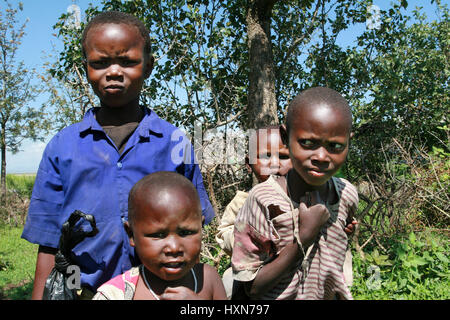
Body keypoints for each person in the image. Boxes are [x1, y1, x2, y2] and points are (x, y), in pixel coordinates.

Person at [21, 11, 214, 299]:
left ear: (148, 67)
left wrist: (194, 293)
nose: (113, 71)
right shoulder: (62, 147)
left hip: (157, 294)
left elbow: (190, 233)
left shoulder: (174, 143)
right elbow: (50, 244)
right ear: (86, 67)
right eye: (100, 63)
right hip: (81, 292)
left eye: (127, 61)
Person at [231, 87, 359, 300]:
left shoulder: (346, 194)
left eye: (335, 146)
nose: (321, 156)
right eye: (307, 143)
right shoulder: (264, 201)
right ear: (285, 136)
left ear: (348, 142)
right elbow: (252, 288)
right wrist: (304, 237)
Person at [93, 172, 227, 300]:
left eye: (186, 232)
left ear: (200, 227)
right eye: (158, 235)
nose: (174, 248)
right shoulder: (115, 295)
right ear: (131, 234)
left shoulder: (208, 278)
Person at [215, 126, 292, 299]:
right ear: (249, 164)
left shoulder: (298, 199)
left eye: (284, 156)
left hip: (290, 267)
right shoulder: (244, 200)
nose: (275, 163)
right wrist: (247, 238)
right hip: (253, 269)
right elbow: (223, 233)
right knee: (229, 283)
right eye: (265, 156)